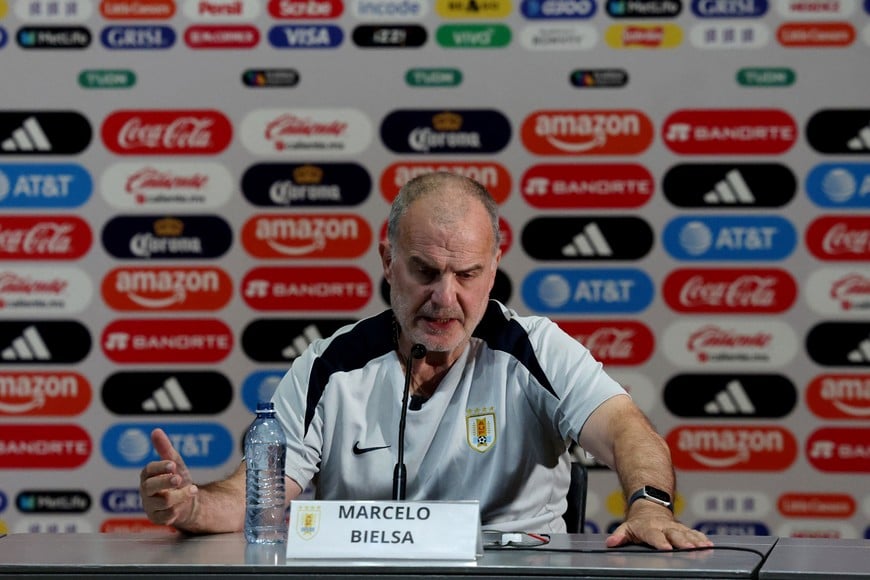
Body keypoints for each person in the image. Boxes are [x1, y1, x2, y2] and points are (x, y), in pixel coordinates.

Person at [140, 171, 712, 550]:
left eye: (466, 275)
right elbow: (256, 495)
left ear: (493, 267)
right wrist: (192, 506)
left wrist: (650, 507)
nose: (445, 298)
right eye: (424, 271)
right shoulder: (329, 366)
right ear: (388, 261)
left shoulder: (534, 347)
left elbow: (627, 432)